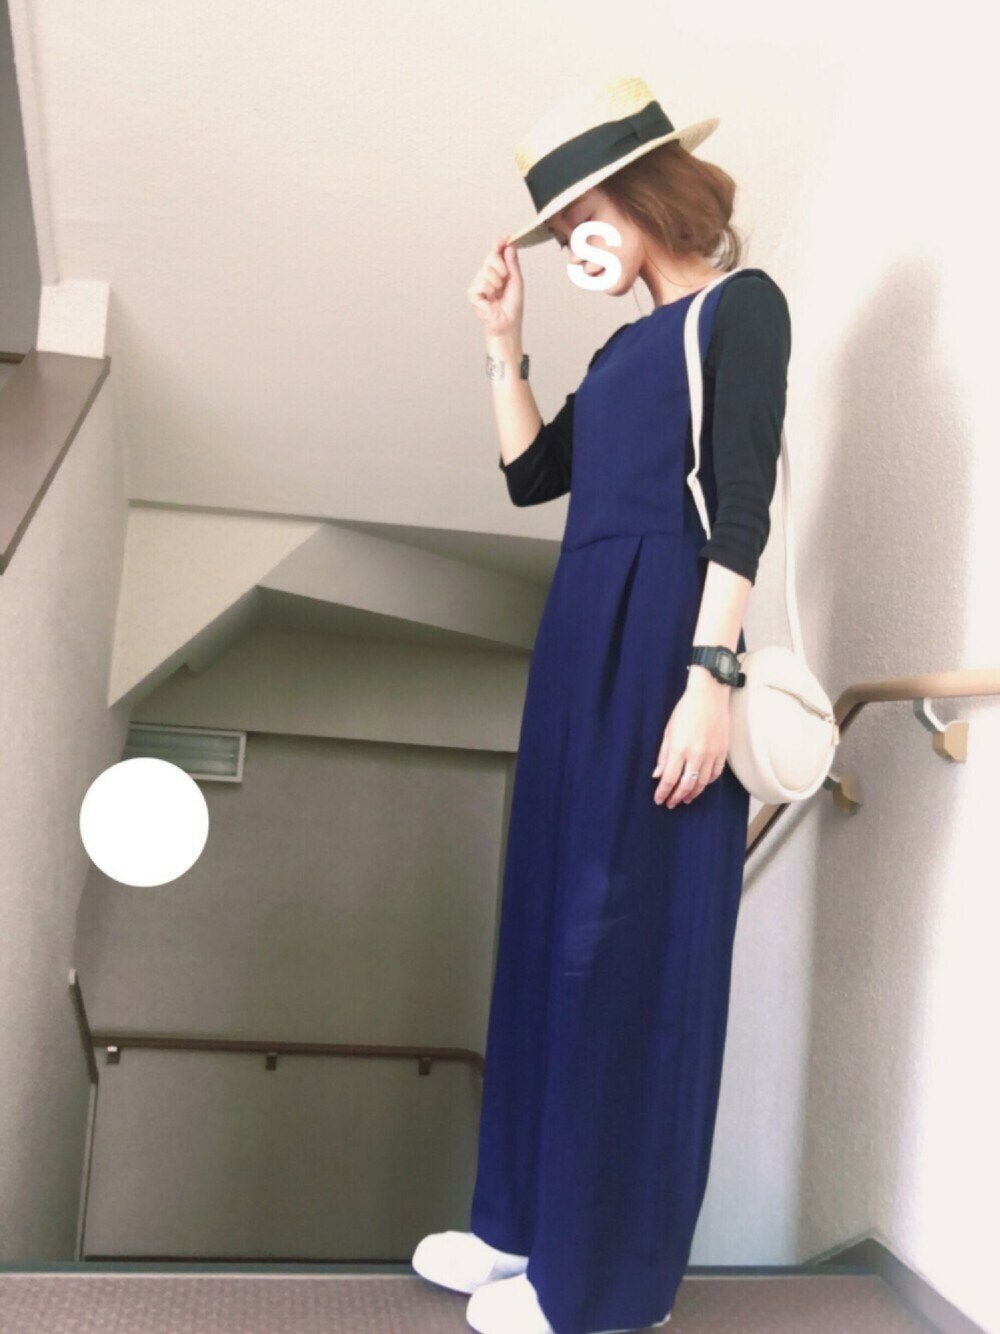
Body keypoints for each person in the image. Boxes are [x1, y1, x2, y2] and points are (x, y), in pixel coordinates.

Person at [412, 74, 791, 1334]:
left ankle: (602, 1288)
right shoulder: (626, 346)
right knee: (545, 926)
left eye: (583, 210)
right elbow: (533, 476)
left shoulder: (741, 307)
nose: (577, 237)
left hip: (668, 644)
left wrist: (709, 680)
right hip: (581, 642)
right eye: (562, 221)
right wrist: (502, 339)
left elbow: (741, 504)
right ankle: (520, 1225)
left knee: (624, 946)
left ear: (640, 191)